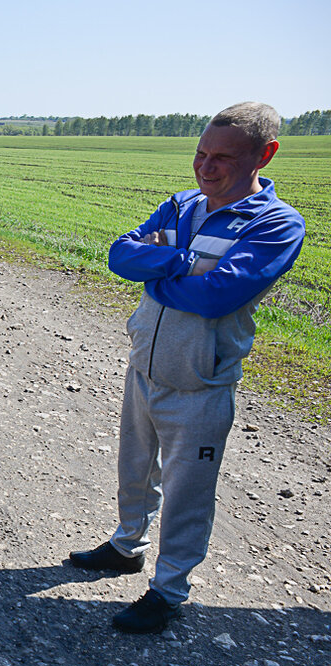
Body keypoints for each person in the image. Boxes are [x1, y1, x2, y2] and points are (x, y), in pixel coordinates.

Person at [69, 102, 306, 634]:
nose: (206, 167)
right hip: (145, 367)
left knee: (186, 493)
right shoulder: (180, 205)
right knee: (134, 470)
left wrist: (157, 268)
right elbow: (119, 255)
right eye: (201, 153)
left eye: (223, 157)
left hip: (200, 383)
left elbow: (217, 295)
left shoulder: (275, 224)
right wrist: (181, 264)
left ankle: (169, 590)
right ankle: (127, 547)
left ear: (264, 155)